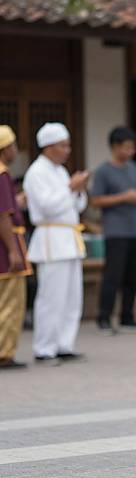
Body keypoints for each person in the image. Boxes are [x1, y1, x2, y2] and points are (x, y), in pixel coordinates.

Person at [23, 123, 89, 365]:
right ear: (49, 147)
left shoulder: (60, 171)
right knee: (51, 297)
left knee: (72, 296)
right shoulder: (36, 172)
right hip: (51, 238)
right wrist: (70, 188)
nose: (68, 150)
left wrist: (78, 190)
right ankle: (44, 347)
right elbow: (47, 207)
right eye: (63, 145)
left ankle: (64, 344)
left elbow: (77, 206)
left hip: (69, 239)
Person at [90, 127, 136, 335]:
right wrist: (124, 197)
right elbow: (95, 200)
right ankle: (104, 317)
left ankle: (127, 317)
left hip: (135, 230)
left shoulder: (133, 168)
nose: (131, 151)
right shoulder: (104, 171)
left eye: (133, 147)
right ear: (115, 147)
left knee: (133, 276)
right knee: (112, 276)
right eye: (127, 147)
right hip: (115, 231)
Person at [0, 126, 31, 370]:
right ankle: (4, 352)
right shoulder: (2, 174)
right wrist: (12, 250)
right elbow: (3, 215)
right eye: (13, 145)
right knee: (10, 301)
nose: (16, 150)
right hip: (6, 244)